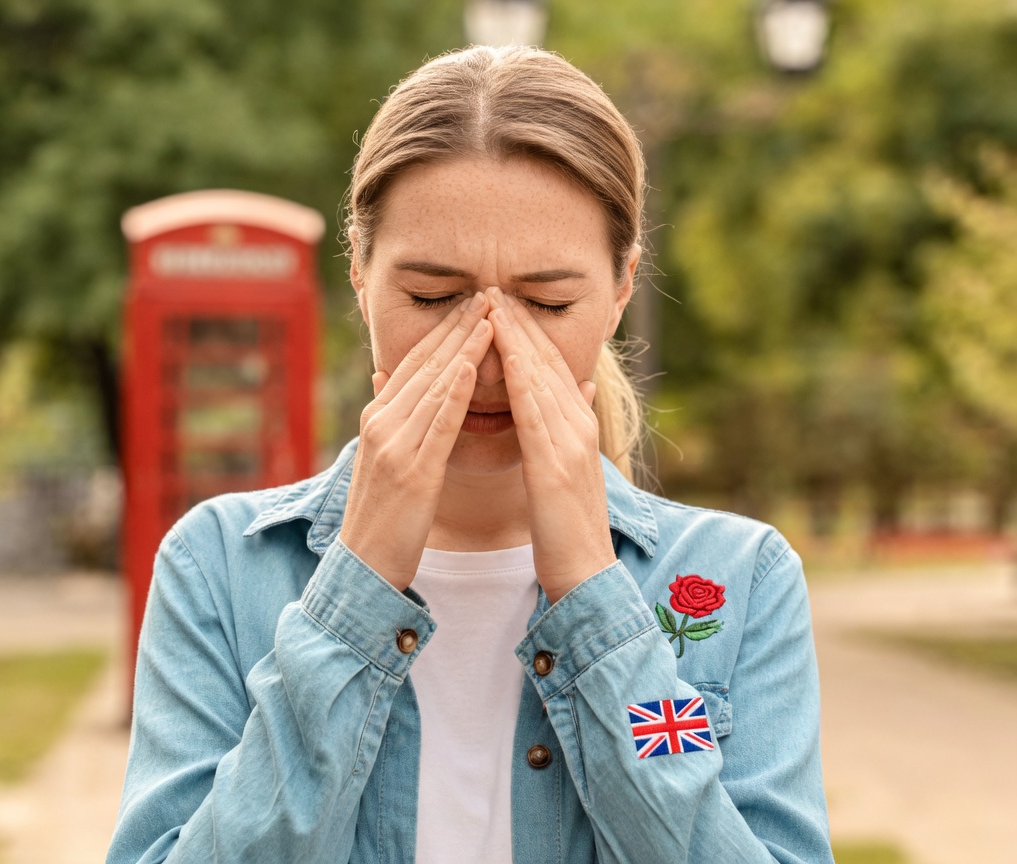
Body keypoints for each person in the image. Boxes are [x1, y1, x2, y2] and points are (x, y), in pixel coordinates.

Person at [106, 45, 833, 864]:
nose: (488, 352)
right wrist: (358, 587)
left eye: (547, 302)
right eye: (432, 298)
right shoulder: (220, 565)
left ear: (623, 286)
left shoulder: (741, 578)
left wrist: (595, 595)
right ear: (358, 274)